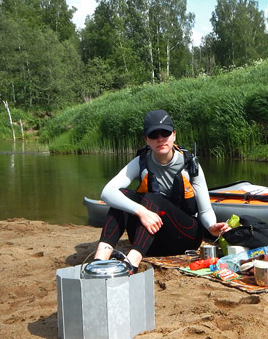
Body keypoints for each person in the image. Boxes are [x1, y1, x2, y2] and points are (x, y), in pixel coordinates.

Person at [93, 110, 228, 272]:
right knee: (123, 196)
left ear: (174, 135)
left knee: (152, 199)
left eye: (165, 133)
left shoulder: (190, 165)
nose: (160, 139)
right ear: (146, 140)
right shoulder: (141, 162)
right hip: (151, 243)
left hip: (185, 237)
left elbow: (205, 210)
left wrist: (212, 226)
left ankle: (131, 263)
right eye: (154, 135)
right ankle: (99, 260)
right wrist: (140, 211)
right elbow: (107, 192)